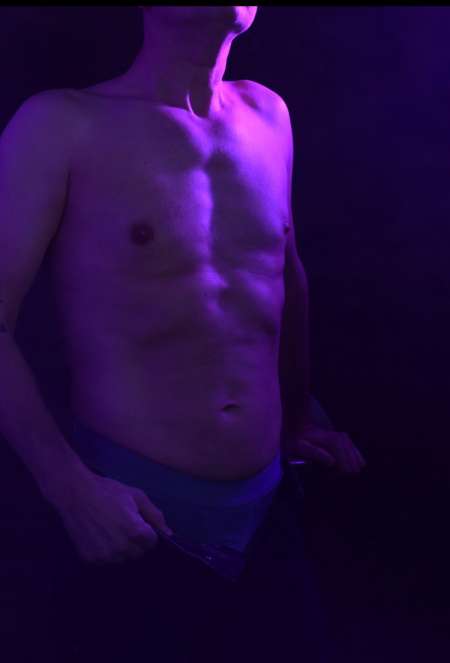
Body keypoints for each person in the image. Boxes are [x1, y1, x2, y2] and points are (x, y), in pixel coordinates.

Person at [0, 6, 366, 662]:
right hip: (138, 515)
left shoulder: (269, 115)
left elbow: (283, 272)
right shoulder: (64, 125)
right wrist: (69, 487)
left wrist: (296, 415)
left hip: (267, 511)